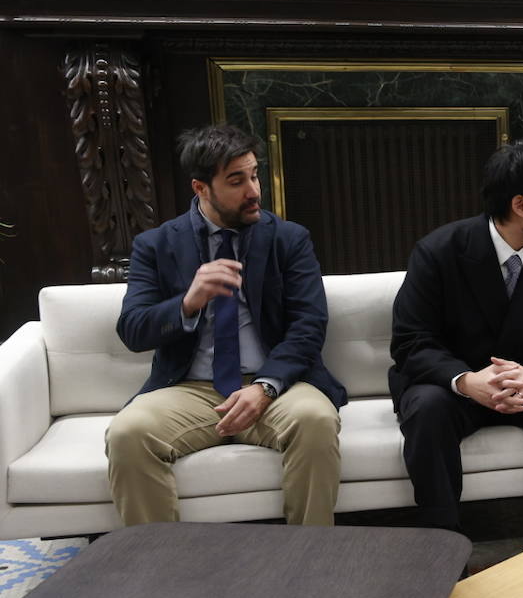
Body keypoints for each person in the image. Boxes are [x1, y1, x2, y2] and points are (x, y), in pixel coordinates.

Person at [106, 124, 345, 526]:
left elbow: (308, 325)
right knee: (128, 434)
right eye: (237, 181)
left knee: (316, 420)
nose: (253, 190)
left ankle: (310, 563)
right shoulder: (156, 245)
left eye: (254, 175)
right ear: (201, 188)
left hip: (276, 385)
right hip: (190, 389)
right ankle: (160, 571)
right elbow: (132, 329)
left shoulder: (289, 239)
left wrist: (265, 386)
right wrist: (187, 302)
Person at [389, 138, 523, 550]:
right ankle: (443, 541)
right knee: (426, 408)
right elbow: (411, 342)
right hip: (457, 389)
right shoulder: (438, 252)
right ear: (521, 205)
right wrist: (466, 381)